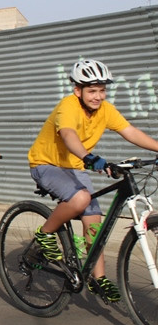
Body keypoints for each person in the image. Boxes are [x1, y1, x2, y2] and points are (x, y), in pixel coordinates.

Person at [28, 59, 158, 302]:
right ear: (78, 90)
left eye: (102, 90)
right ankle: (45, 233)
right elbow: (68, 135)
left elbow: (129, 131)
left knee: (93, 221)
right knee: (81, 198)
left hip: (75, 167)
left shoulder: (105, 110)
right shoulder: (68, 106)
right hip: (46, 164)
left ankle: (98, 278)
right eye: (92, 90)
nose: (98, 96)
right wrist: (89, 157)